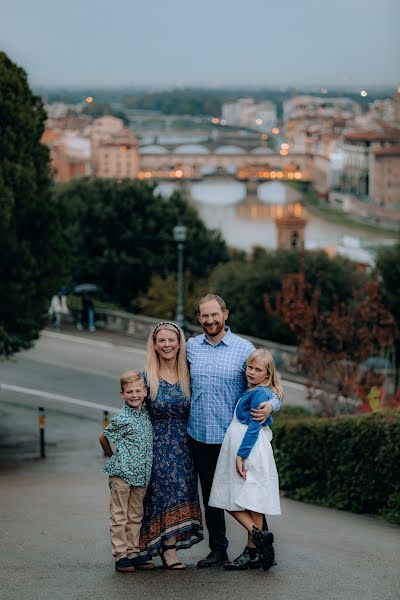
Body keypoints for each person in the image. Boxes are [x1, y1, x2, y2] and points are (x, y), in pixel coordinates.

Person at [186, 294, 281, 568]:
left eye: (215, 314)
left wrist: (272, 406)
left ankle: (256, 548)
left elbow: (270, 383)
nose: (210, 320)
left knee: (248, 492)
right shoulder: (191, 347)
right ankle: (219, 550)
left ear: (225, 314)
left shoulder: (244, 349)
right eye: (204, 315)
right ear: (199, 318)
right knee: (212, 497)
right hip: (200, 434)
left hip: (234, 437)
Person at [209, 349, 282, 571]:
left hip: (247, 448)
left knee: (229, 498)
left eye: (258, 369)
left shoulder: (260, 394)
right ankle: (255, 547)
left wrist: (241, 454)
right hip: (244, 445)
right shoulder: (255, 390)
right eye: (250, 367)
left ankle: (255, 539)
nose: (251, 372)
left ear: (267, 374)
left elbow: (253, 427)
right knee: (252, 503)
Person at [139, 322, 203, 569]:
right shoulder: (146, 376)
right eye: (162, 340)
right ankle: (165, 548)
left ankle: (170, 545)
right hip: (157, 444)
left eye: (171, 340)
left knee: (182, 491)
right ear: (154, 345)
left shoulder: (189, 373)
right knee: (160, 495)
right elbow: (133, 412)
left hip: (186, 445)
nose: (167, 345)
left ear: (179, 343)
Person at [99, 371, 153, 573]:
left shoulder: (146, 413)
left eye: (138, 391)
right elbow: (103, 437)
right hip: (121, 474)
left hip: (140, 474)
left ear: (145, 392)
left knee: (136, 515)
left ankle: (134, 552)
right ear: (122, 394)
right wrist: (112, 456)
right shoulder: (122, 417)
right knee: (119, 515)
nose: (134, 395)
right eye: (129, 392)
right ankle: (120, 555)